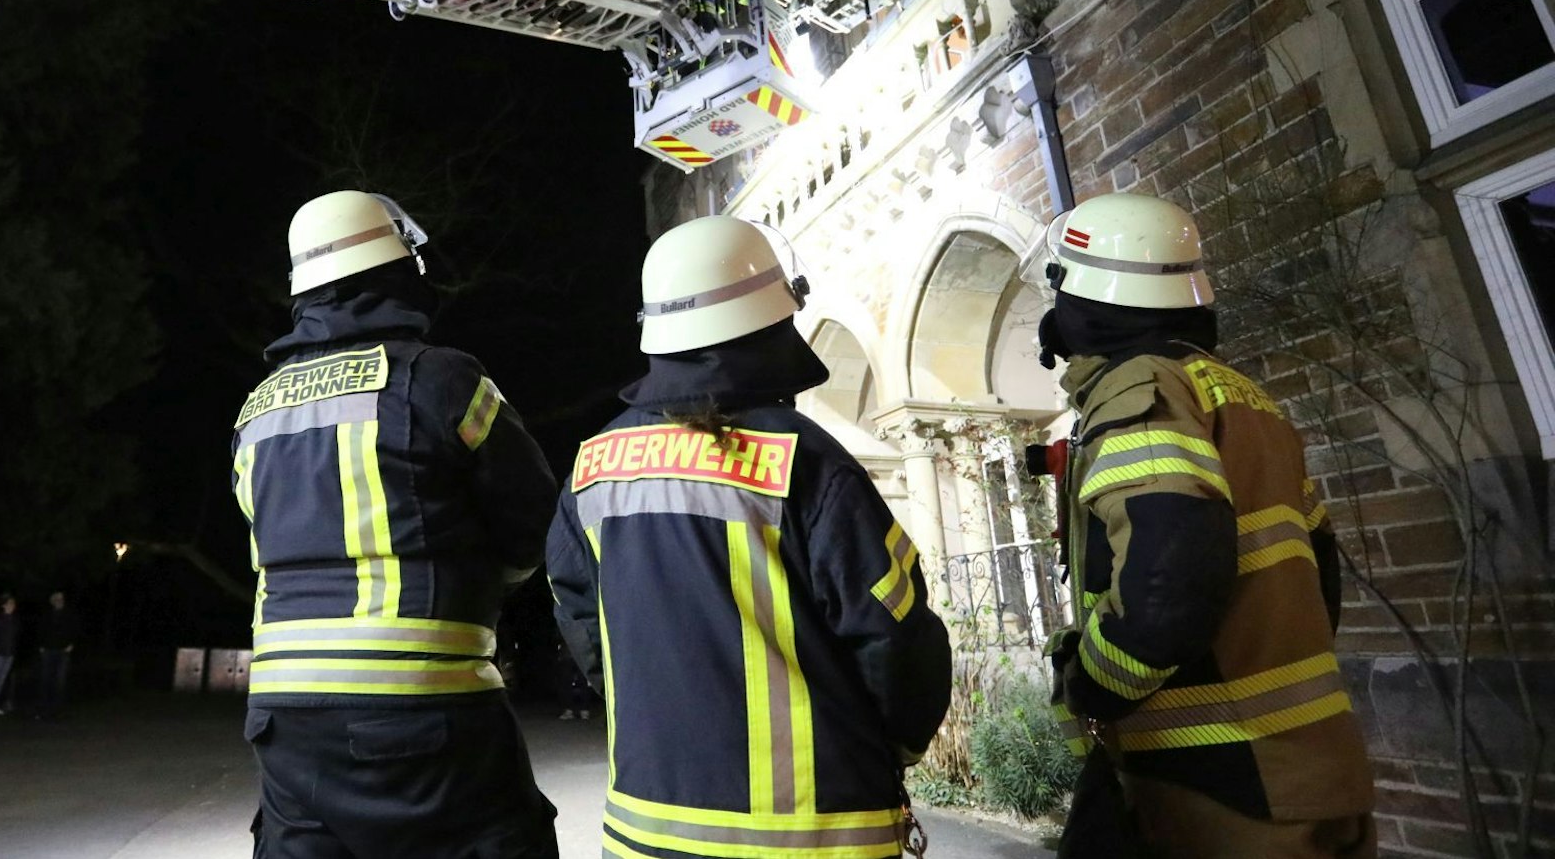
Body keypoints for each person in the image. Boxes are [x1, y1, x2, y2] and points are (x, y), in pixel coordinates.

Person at [546, 215, 952, 859]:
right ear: (770, 322)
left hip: (646, 832)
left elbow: (586, 628)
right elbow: (894, 636)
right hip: (814, 835)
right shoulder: (809, 461)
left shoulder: (591, 468)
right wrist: (888, 748)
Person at [1030, 193, 1375, 858]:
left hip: (1213, 782)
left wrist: (1091, 683)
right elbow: (1319, 577)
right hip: (1308, 768)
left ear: (1080, 293)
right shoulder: (1239, 395)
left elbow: (1167, 587)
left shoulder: (1140, 386)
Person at [230, 190, 562, 858]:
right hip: (423, 703)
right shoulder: (442, 380)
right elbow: (535, 523)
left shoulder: (254, 412)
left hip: (284, 713)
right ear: (396, 271)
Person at [38, 590, 78, 718]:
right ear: (52, 601)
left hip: (63, 651)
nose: (59, 601)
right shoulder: (47, 614)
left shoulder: (69, 614)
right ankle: (45, 707)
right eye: (57, 599)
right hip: (48, 650)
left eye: (61, 599)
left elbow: (75, 629)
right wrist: (41, 646)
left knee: (60, 680)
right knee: (46, 679)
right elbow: (41, 630)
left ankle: (58, 709)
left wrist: (71, 644)